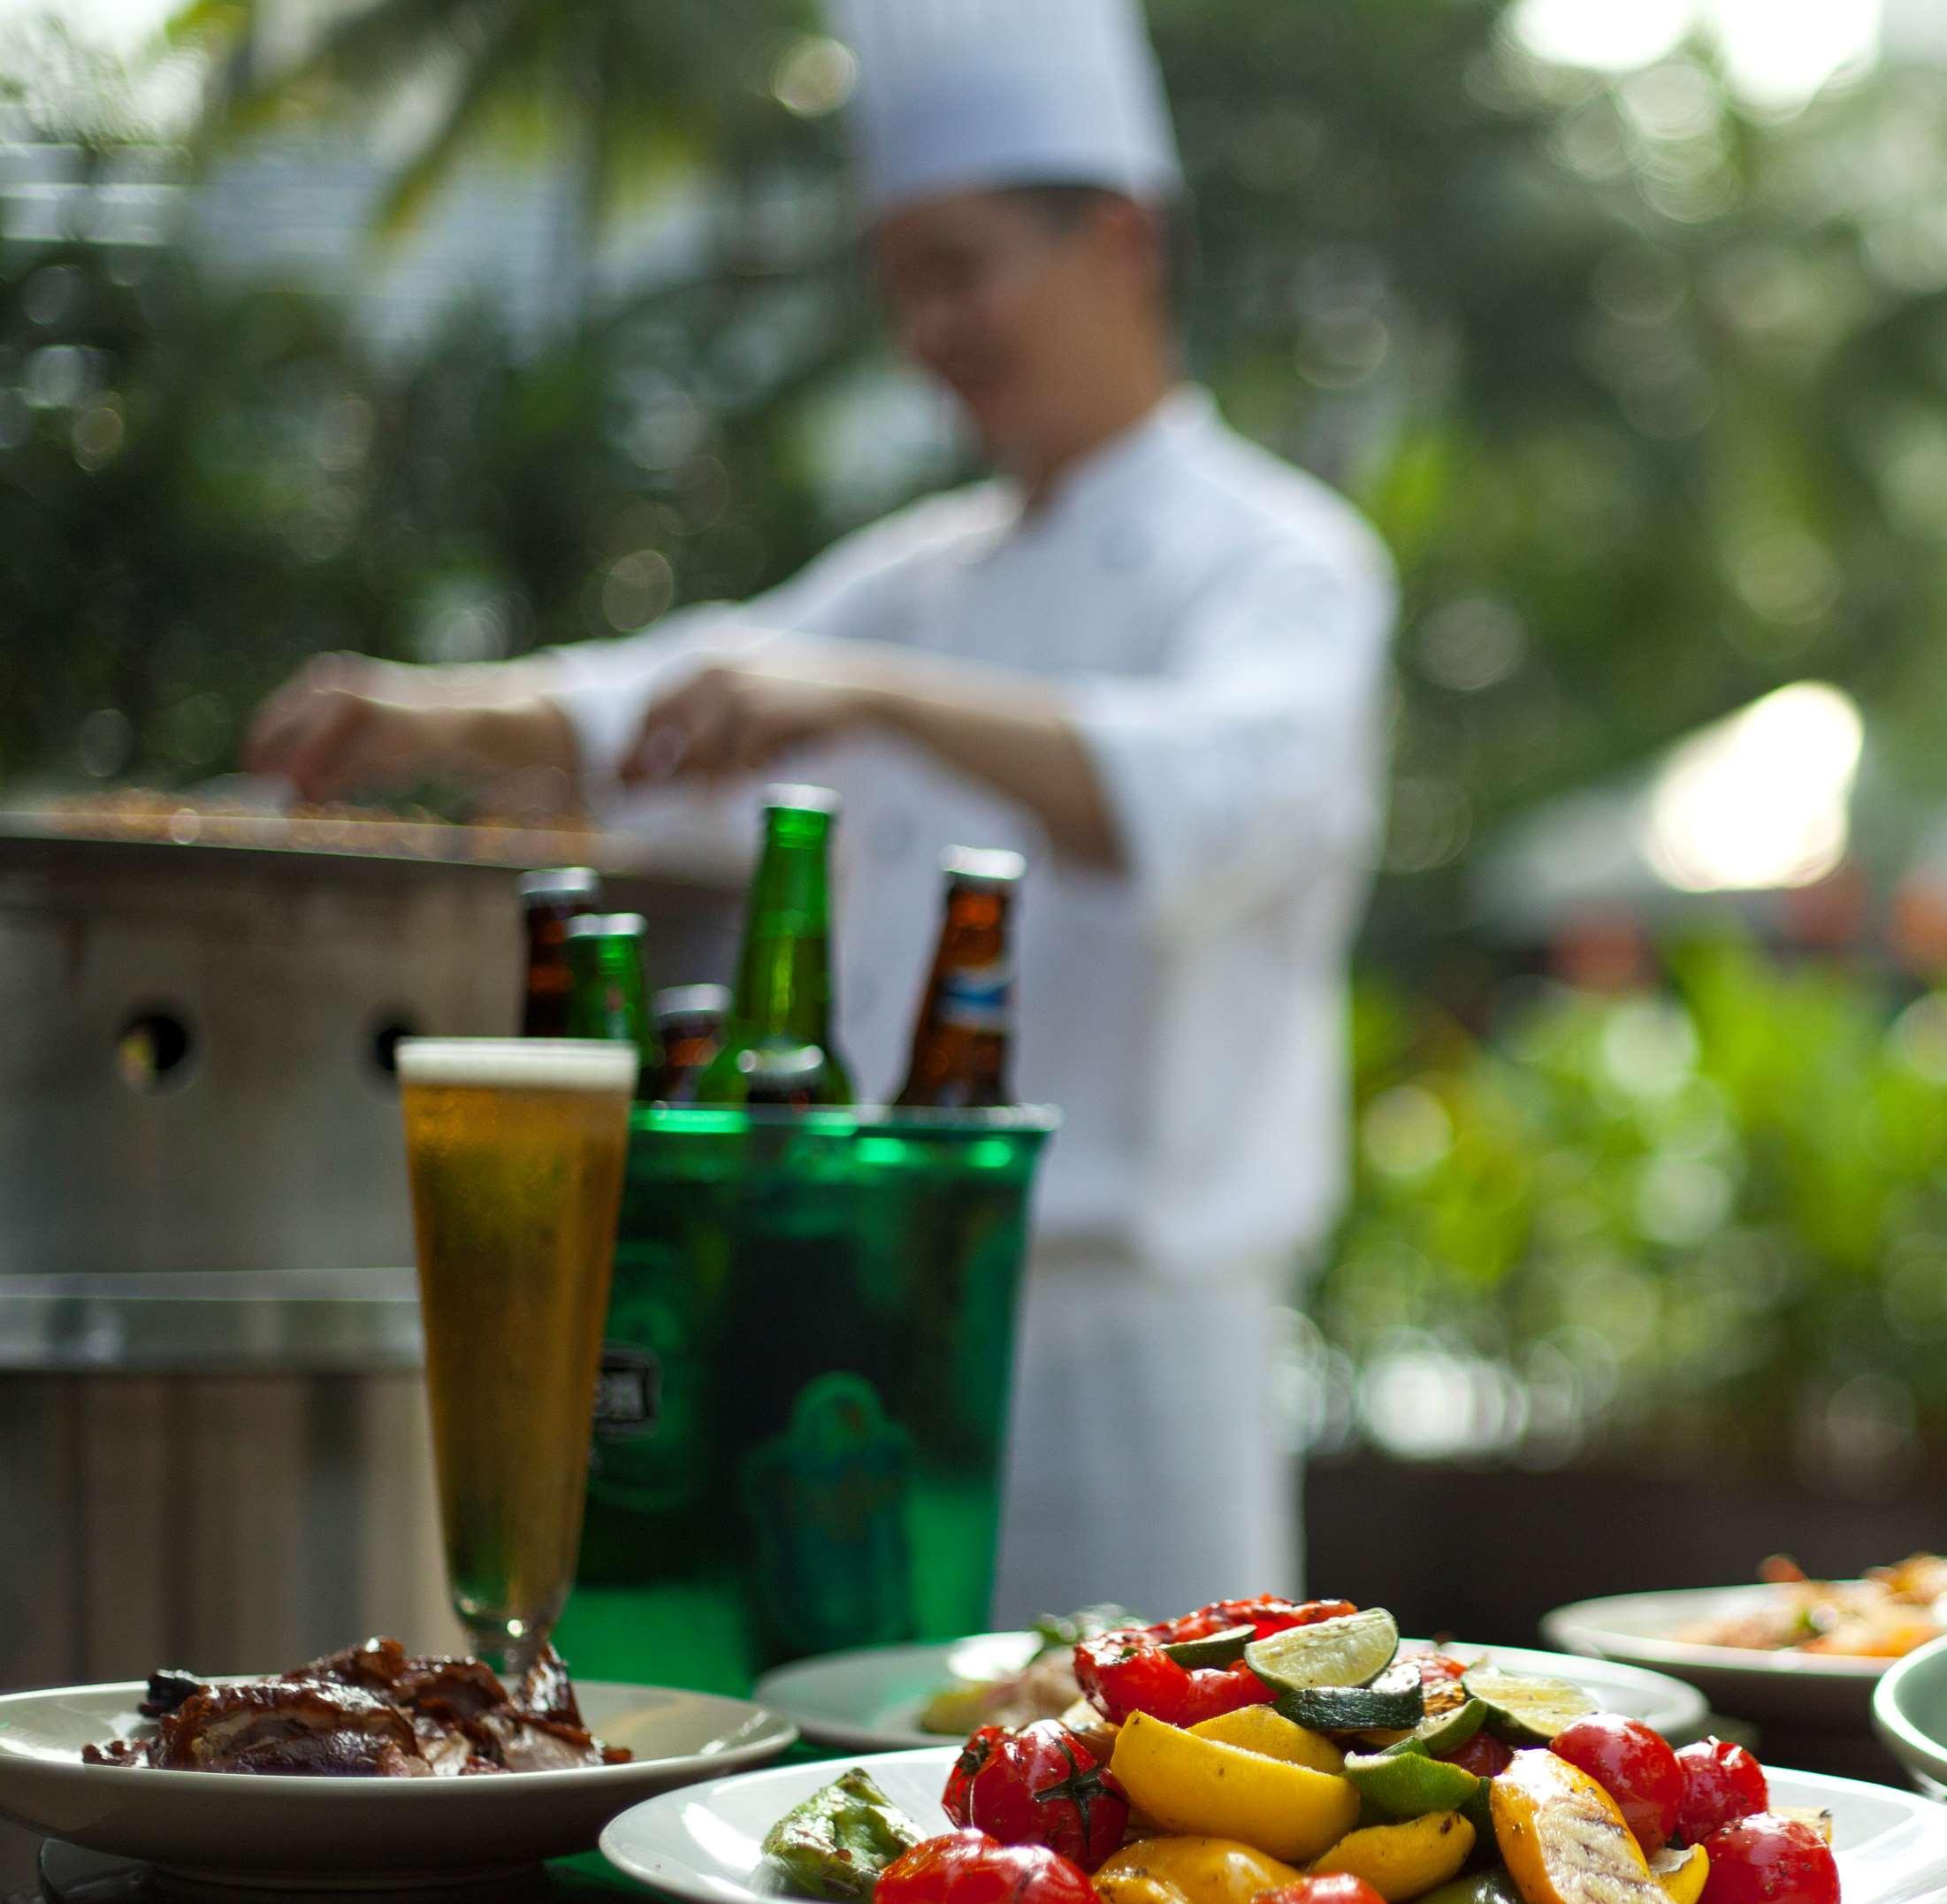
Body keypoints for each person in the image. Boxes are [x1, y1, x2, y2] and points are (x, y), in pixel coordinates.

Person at [246, 0, 1395, 1622]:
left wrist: (868, 697)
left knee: (1157, 1798)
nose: (927, 326)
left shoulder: (1287, 561)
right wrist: (434, 711)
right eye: (901, 282)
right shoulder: (928, 574)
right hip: (873, 1311)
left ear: (1120, 241)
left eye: (960, 267)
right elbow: (693, 683)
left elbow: (1189, 796)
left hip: (1131, 1348)